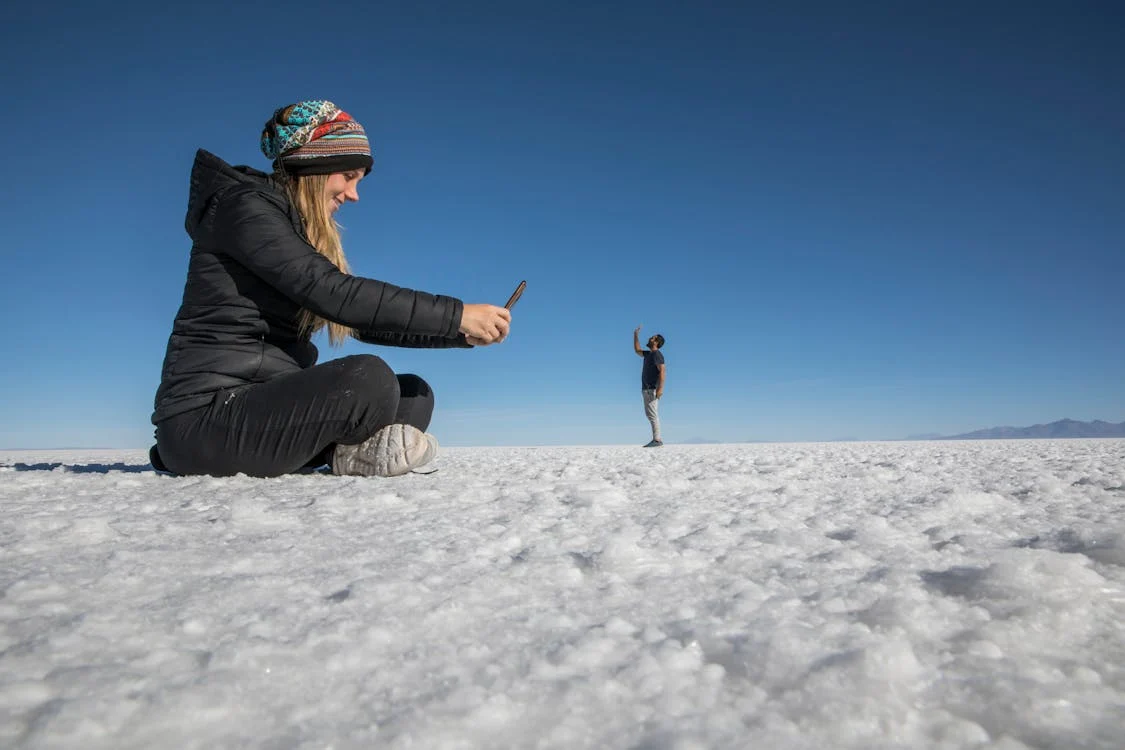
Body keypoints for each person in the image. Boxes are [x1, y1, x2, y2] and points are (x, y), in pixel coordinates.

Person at [149, 100, 511, 478]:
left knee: (412, 393)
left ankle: (342, 456)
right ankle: (344, 454)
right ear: (316, 166)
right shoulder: (245, 208)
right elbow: (335, 294)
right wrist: (459, 313)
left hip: (258, 410)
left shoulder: (293, 230)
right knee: (369, 378)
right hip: (205, 417)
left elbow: (360, 323)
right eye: (349, 176)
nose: (354, 194)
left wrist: (458, 333)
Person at [633, 326, 666, 447]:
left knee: (652, 414)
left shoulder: (657, 354)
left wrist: (660, 389)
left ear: (656, 342)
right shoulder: (648, 354)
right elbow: (637, 350)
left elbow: (662, 371)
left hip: (652, 389)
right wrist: (635, 335)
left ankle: (657, 440)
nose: (650, 338)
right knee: (649, 414)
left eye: (652, 338)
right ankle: (656, 439)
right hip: (646, 389)